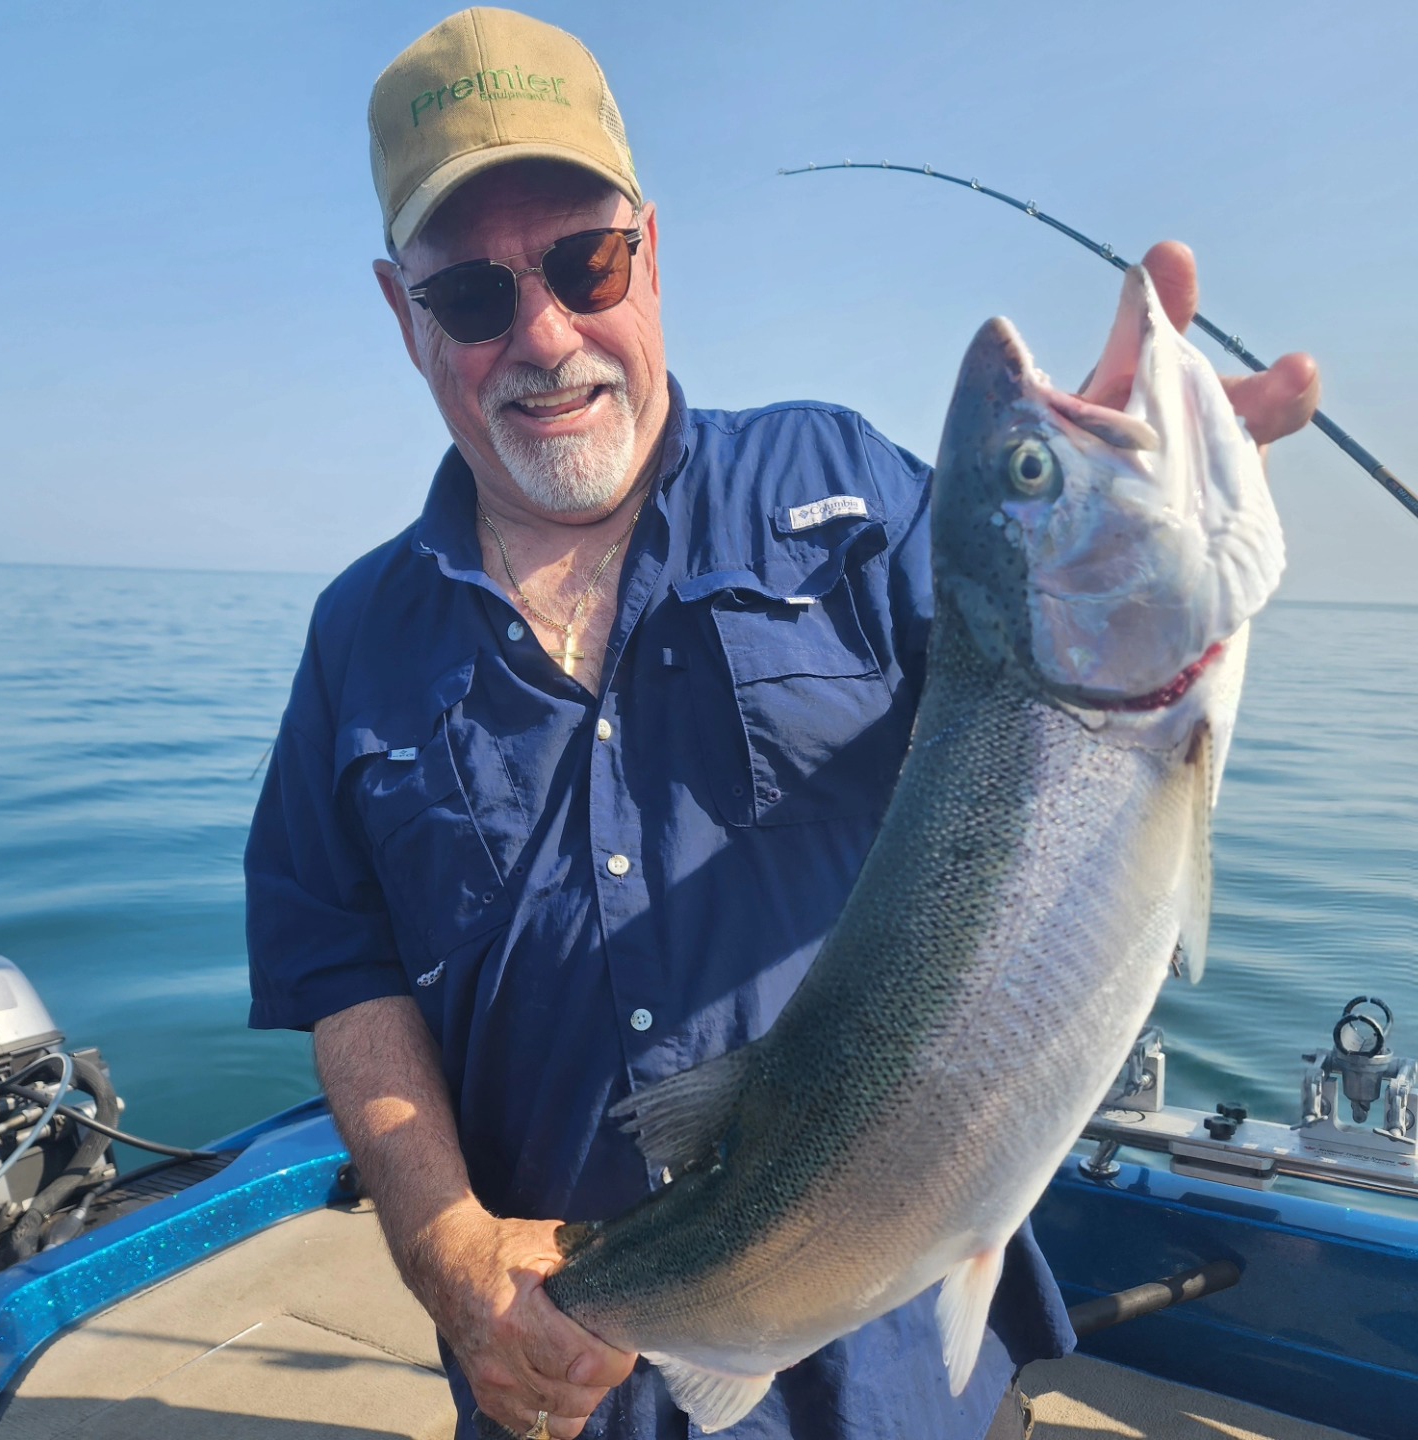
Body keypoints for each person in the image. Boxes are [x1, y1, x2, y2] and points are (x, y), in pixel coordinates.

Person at [245, 9, 1321, 1440]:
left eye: (586, 263)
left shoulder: (852, 496)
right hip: (562, 1375)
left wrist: (1137, 534)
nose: (545, 337)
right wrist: (452, 1256)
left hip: (896, 1375)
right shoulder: (357, 638)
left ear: (650, 250)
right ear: (405, 314)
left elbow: (1043, 701)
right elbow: (342, 967)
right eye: (473, 297)